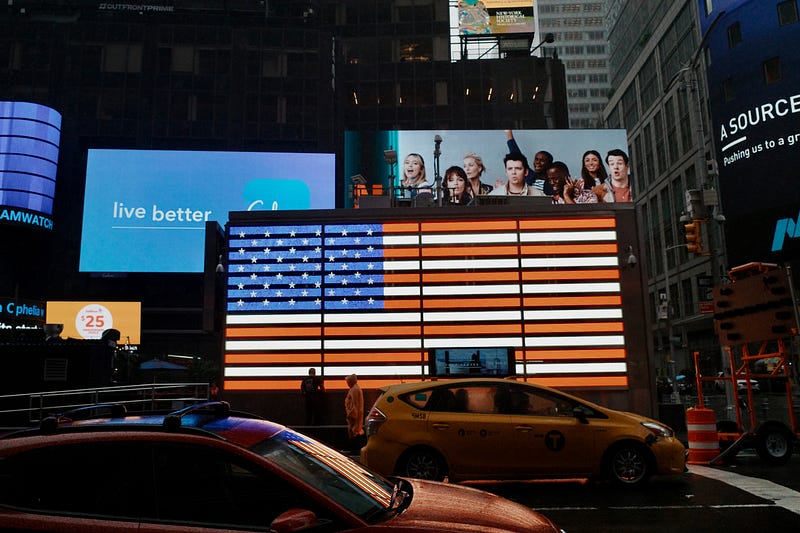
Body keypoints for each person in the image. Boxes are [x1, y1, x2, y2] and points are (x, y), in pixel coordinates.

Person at [504, 130, 554, 195]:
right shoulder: (529, 175)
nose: (538, 162)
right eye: (536, 159)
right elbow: (515, 152)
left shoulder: (552, 182)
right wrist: (508, 133)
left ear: (549, 164)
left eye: (542, 160)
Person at [344, 373, 365, 451]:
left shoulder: (354, 389)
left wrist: (351, 414)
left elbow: (354, 403)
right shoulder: (355, 388)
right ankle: (355, 448)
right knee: (356, 431)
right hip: (356, 414)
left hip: (354, 415)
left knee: (354, 432)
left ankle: (355, 449)